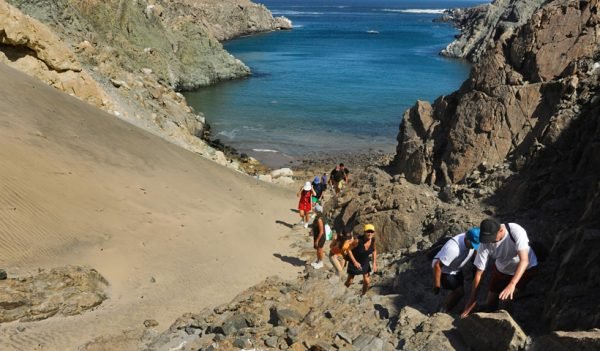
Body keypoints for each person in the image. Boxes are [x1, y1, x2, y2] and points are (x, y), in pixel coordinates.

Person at [461, 219, 538, 318]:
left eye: (492, 238)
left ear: (501, 230)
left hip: (525, 269)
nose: (490, 242)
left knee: (506, 299)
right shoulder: (485, 242)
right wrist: (472, 300)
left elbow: (524, 260)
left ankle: (509, 321)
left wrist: (512, 284)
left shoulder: (515, 231)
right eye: (487, 238)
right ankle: (489, 320)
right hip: (502, 269)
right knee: (491, 300)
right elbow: (479, 273)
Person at [432, 227, 480, 312]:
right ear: (467, 239)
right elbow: (437, 266)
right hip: (446, 271)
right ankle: (442, 311)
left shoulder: (471, 239)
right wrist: (437, 285)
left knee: (460, 290)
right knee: (459, 292)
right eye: (473, 245)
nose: (474, 247)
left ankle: (449, 303)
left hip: (456, 267)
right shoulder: (453, 249)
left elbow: (476, 250)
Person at [345, 224, 377, 295]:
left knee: (367, 281)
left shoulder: (373, 241)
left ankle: (363, 295)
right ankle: (343, 291)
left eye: (371, 232)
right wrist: (355, 262)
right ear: (364, 232)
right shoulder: (357, 241)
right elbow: (348, 250)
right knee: (350, 281)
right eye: (368, 231)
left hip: (365, 261)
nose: (370, 233)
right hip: (354, 260)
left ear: (374, 233)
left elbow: (374, 251)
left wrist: (374, 263)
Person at [310, 204, 326, 269]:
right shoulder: (318, 217)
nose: (314, 210)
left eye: (315, 209)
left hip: (320, 237)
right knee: (318, 249)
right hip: (317, 235)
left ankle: (321, 262)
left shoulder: (319, 219)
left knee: (320, 250)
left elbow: (321, 231)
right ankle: (318, 260)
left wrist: (317, 240)